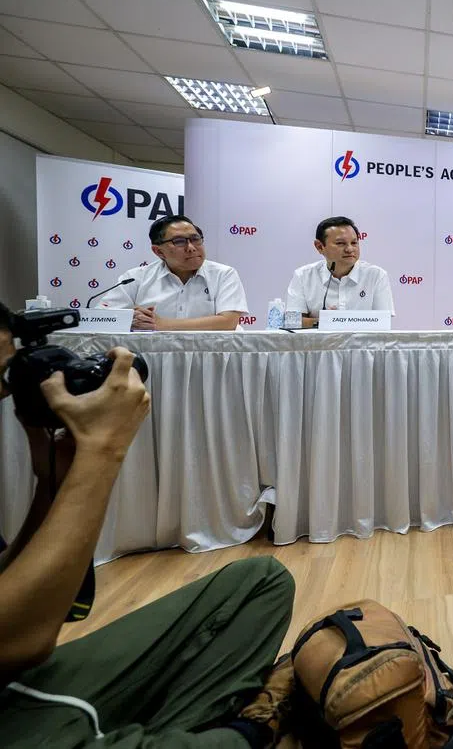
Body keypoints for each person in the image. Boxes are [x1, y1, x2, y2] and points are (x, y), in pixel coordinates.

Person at [0, 300, 295, 748]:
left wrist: (51, 478)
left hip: (16, 685)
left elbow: (15, 587)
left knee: (261, 580)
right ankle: (245, 733)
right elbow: (21, 640)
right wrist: (103, 452)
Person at [98, 215, 248, 331]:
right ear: (158, 251)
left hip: (210, 357)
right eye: (179, 241)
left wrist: (163, 324)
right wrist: (129, 319)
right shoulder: (135, 278)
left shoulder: (223, 274)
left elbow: (228, 322)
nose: (191, 247)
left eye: (195, 239)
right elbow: (101, 316)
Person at [286, 215, 395, 328]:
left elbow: (383, 323)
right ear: (319, 246)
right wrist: (325, 321)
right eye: (340, 243)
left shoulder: (376, 275)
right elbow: (292, 322)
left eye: (354, 243)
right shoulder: (303, 276)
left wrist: (334, 321)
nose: (349, 249)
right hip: (319, 345)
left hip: (362, 345)